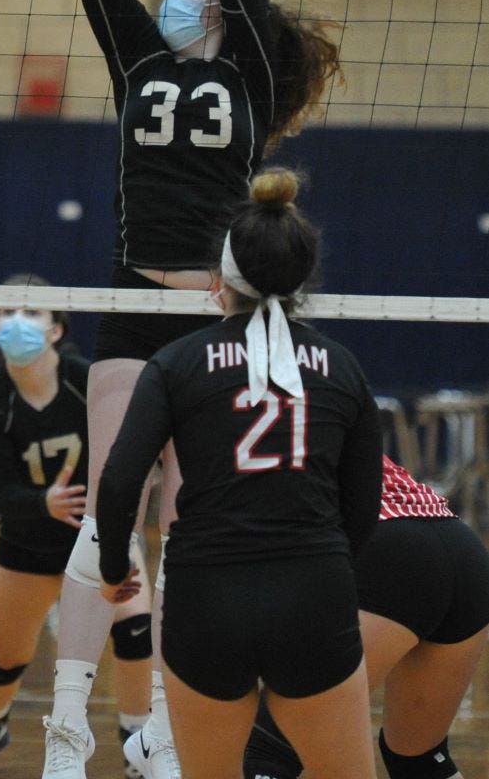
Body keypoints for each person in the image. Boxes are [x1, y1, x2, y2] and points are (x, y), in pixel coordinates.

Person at [0, 0, 342, 779]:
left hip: (216, 320)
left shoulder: (253, 74)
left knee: (192, 529)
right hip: (132, 308)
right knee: (108, 507)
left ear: (229, 8)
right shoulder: (139, 56)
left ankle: (168, 733)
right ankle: (62, 732)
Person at [95, 169, 383, 779]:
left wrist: (116, 570)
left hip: (206, 600)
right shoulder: (343, 367)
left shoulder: (175, 363)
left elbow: (121, 482)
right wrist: (326, 571)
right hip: (312, 592)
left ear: (220, 279)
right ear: (303, 278)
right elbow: (364, 504)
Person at [0, 278, 151, 772]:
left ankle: (139, 740)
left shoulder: (86, 381)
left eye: (30, 312)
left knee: (136, 627)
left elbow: (124, 462)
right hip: (29, 543)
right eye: (5, 312)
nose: (14, 321)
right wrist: (43, 502)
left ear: (56, 329)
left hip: (97, 536)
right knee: (5, 656)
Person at [242, 455, 489, 779]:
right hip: (461, 547)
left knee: (266, 750)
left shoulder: (210, 427)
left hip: (386, 553)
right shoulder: (332, 410)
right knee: (421, 759)